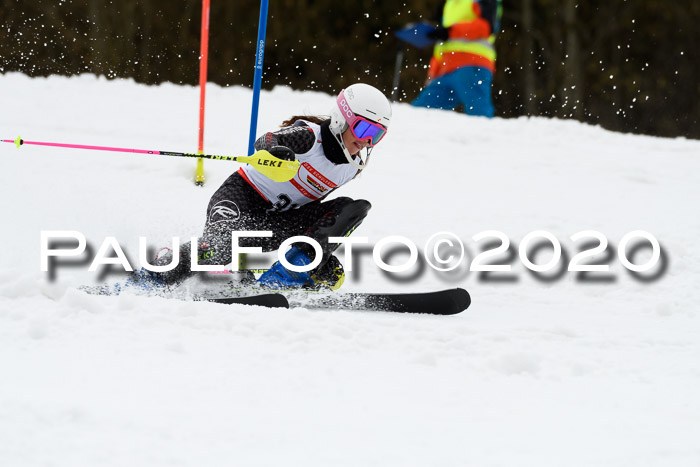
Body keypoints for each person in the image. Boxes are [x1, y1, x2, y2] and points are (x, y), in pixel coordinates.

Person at [127, 82, 392, 291]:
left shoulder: (351, 166)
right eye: (363, 129)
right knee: (220, 247)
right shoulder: (310, 137)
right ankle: (154, 274)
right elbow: (265, 140)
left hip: (278, 223)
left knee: (353, 213)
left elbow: (319, 212)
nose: (367, 141)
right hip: (241, 198)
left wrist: (316, 254)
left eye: (377, 135)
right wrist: (278, 152)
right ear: (341, 118)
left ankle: (287, 273)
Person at [412, 0, 502, 117]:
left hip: (473, 65)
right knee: (418, 113)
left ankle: (485, 135)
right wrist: (434, 70)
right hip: (447, 70)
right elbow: (443, 42)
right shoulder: (449, 3)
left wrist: (449, 32)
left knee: (479, 116)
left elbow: (485, 27)